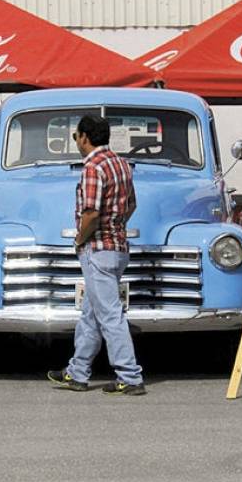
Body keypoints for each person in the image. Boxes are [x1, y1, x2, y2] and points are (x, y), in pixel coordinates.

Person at [47, 115, 145, 395]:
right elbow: (131, 204)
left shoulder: (92, 167)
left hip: (97, 250)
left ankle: (130, 375)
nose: (76, 141)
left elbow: (90, 212)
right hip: (118, 248)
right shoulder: (120, 163)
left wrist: (80, 239)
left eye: (76, 136)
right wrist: (116, 225)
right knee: (91, 314)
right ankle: (77, 372)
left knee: (110, 315)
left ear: (85, 137)